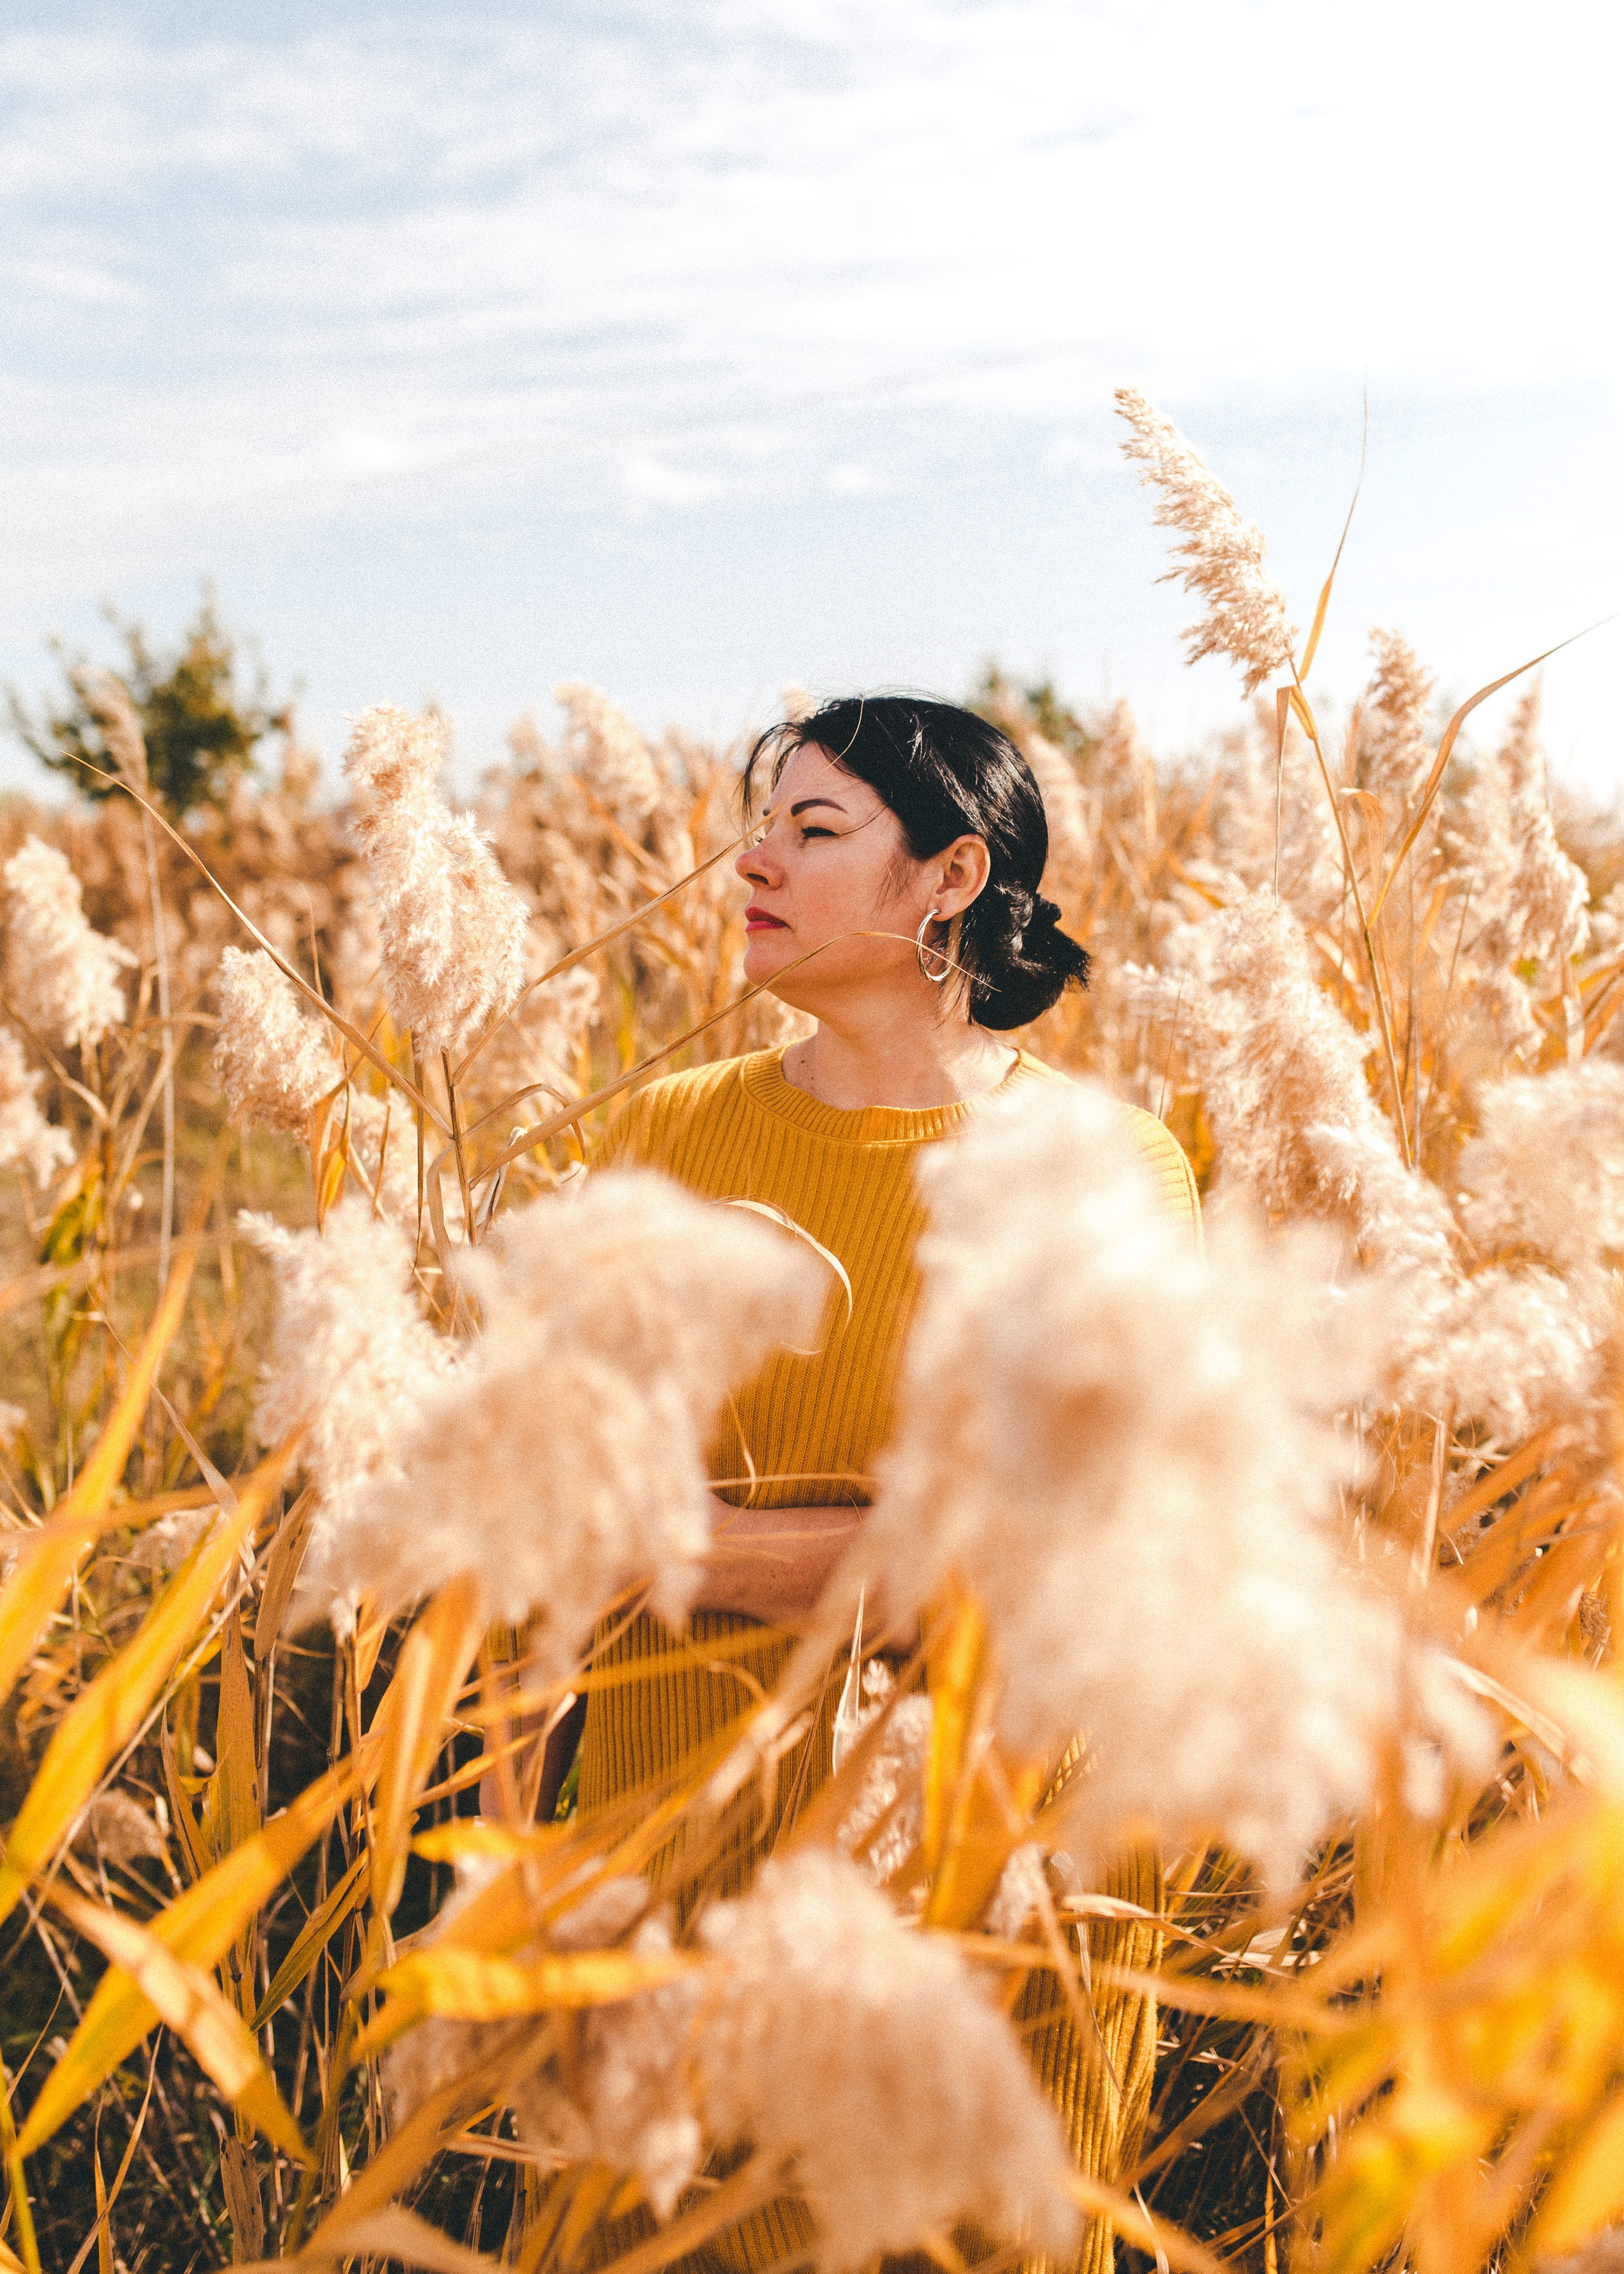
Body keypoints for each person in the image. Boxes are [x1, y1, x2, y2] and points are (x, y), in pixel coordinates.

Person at [572, 695, 1200, 2274]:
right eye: (757, 821)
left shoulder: (1103, 1172)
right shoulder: (656, 1140)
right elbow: (554, 1512)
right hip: (664, 1882)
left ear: (949, 875)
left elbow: (1040, 1566)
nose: (750, 858)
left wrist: (684, 1539)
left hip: (973, 1914)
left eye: (814, 828)